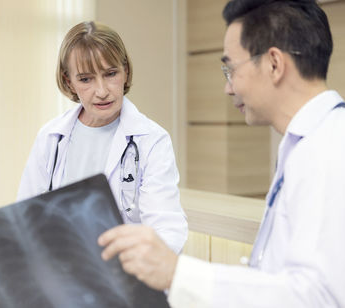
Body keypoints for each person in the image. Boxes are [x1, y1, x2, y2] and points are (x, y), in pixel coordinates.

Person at [98, 0, 345, 307]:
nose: (228, 88)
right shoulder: (305, 144)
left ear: (274, 64)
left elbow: (320, 297)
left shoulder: (330, 149)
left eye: (231, 68)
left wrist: (178, 274)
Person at [17, 21, 188, 253]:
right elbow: (26, 218)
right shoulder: (51, 137)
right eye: (86, 79)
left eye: (110, 74)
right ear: (69, 82)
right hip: (62, 272)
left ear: (125, 72)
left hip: (126, 275)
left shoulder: (151, 140)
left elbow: (166, 230)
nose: (102, 91)